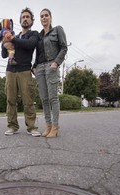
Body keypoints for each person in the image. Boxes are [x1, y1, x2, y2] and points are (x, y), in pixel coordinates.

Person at [1, 7, 41, 137]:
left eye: (27, 17)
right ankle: (12, 126)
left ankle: (32, 127)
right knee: (10, 100)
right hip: (10, 71)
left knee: (28, 100)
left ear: (31, 21)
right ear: (20, 20)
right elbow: (3, 55)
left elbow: (29, 45)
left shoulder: (34, 34)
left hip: (24, 71)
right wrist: (4, 42)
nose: (25, 19)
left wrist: (12, 39)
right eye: (23, 17)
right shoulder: (13, 35)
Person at [32, 8, 68, 138]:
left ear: (50, 18)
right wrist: (34, 67)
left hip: (51, 66)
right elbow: (38, 54)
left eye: (46, 15)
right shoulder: (39, 36)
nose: (44, 18)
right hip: (40, 69)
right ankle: (48, 126)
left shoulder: (57, 30)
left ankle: (55, 126)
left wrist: (56, 62)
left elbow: (64, 47)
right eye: (41, 16)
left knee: (53, 98)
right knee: (44, 99)